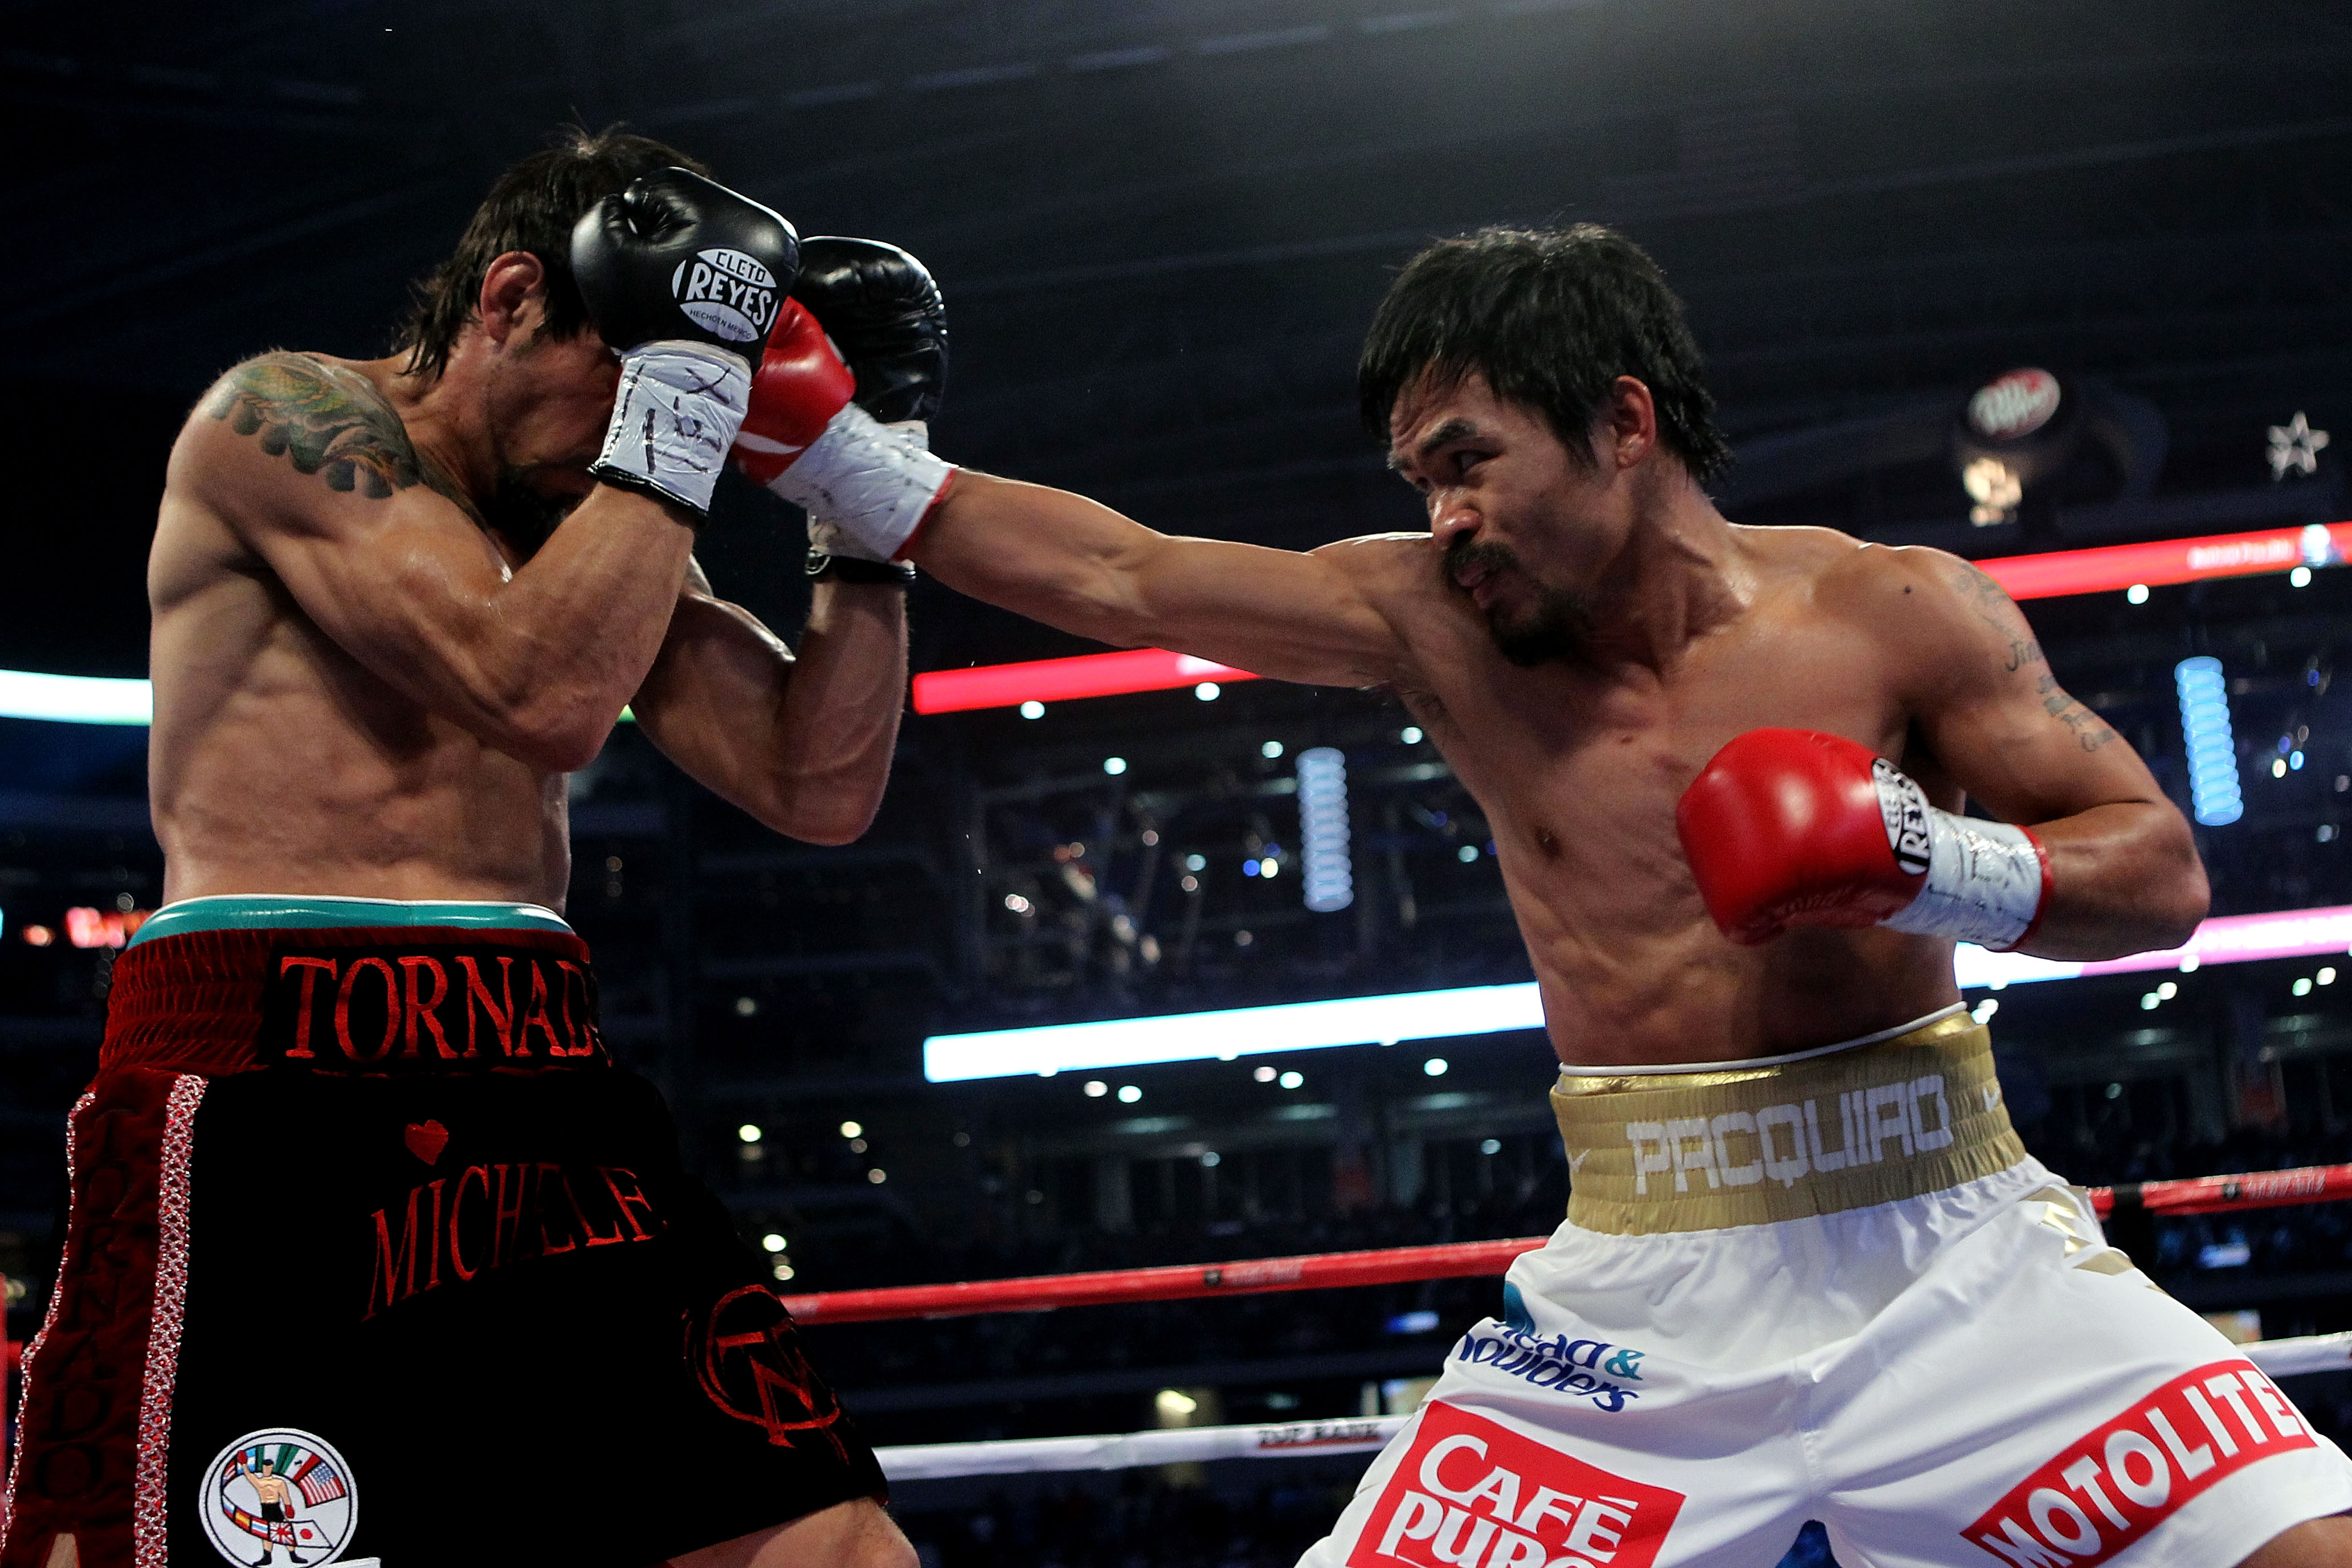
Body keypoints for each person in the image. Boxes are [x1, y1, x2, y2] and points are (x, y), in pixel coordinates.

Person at [736, 226, 2352, 1565]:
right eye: (1417, 475)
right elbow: (1124, 570)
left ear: (1623, 423)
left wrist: (1931, 863)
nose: (1444, 514)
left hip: (1962, 1255)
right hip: (1633, 1305)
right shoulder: (1428, 614)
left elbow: (2160, 872)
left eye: (1468, 462)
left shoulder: (1891, 609)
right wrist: (844, 457)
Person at [0, 129, 919, 1568]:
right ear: (506, 300)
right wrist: (679, 404)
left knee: (831, 1544)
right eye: (635, 371)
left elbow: (819, 782)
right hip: (272, 1083)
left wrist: (863, 510)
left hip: (542, 1080)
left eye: (675, 390)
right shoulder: (285, 418)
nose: (657, 421)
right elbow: (536, 692)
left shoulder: (600, 522)